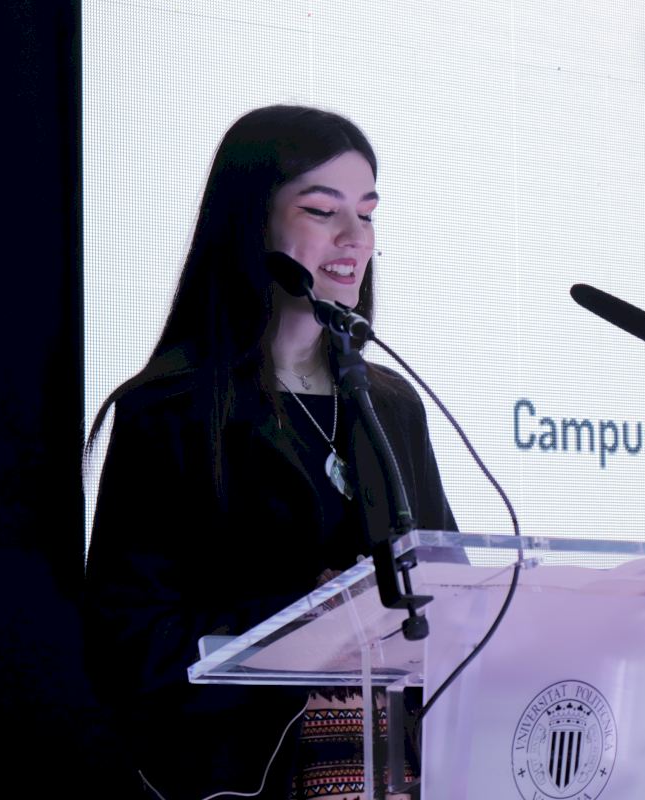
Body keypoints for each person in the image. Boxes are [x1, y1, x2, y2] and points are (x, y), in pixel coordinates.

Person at [83, 105, 457, 799]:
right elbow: (130, 642)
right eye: (321, 211)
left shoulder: (392, 405)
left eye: (367, 213)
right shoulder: (167, 410)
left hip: (399, 776)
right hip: (247, 781)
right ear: (251, 221)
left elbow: (450, 598)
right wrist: (304, 619)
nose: (355, 238)